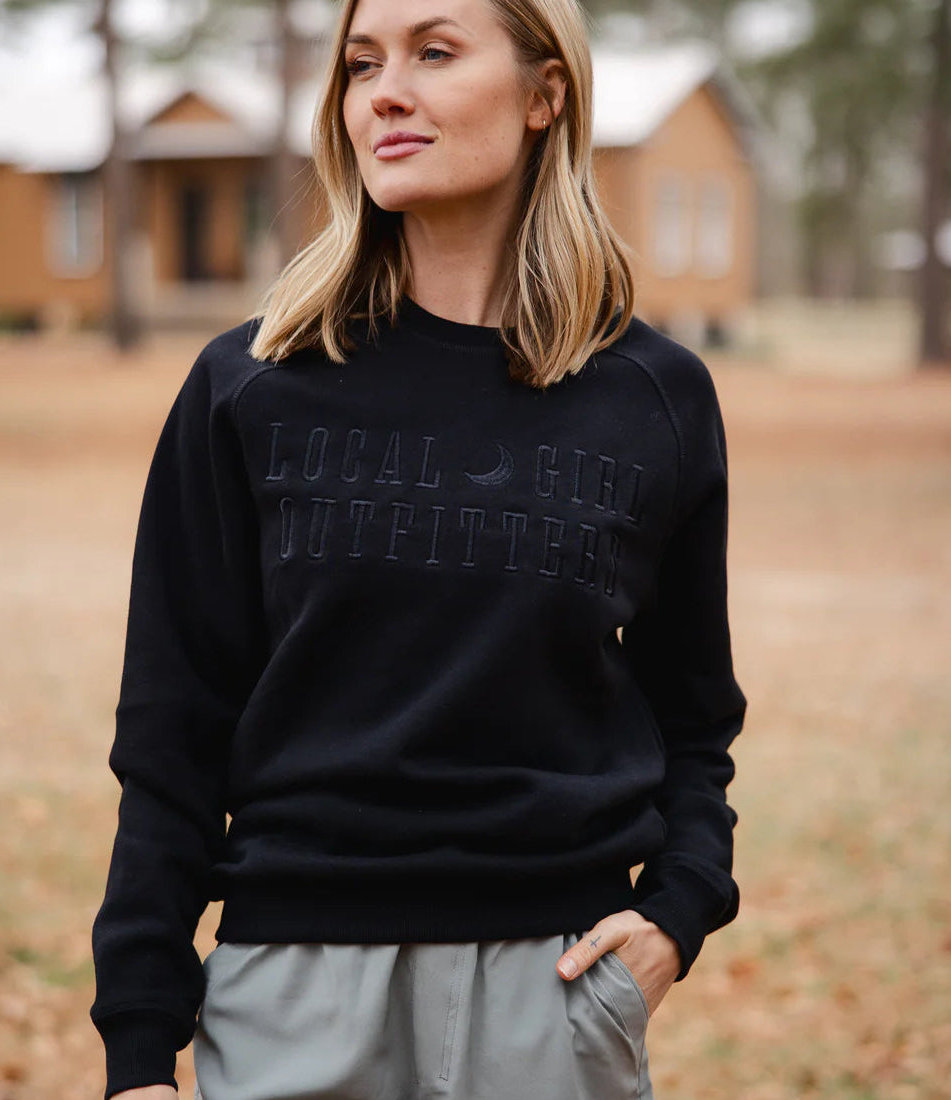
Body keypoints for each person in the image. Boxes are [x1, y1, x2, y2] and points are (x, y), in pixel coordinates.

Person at [88, 0, 747, 1094]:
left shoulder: (653, 396)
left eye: (433, 53)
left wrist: (677, 911)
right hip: (291, 993)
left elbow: (694, 709)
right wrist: (138, 1046)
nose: (381, 92)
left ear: (546, 95)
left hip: (558, 990)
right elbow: (171, 727)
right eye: (359, 64)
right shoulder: (249, 384)